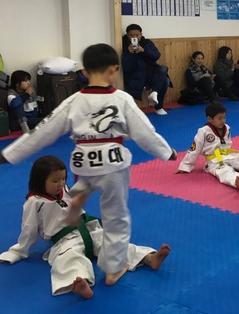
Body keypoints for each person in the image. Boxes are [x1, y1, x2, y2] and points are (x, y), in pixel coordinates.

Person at [0, 43, 177, 286]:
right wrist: (167, 152)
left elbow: (43, 131)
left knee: (85, 183)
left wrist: (10, 154)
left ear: (84, 72)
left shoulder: (74, 101)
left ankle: (78, 198)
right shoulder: (122, 99)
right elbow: (145, 133)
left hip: (83, 161)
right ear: (114, 70)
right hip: (113, 161)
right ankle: (113, 269)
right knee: (116, 217)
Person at [0, 155, 170, 299]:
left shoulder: (64, 189)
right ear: (40, 181)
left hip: (88, 228)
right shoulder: (34, 202)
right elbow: (29, 228)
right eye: (55, 181)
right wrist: (19, 251)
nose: (60, 184)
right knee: (68, 259)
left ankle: (149, 258)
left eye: (63, 179)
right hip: (64, 240)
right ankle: (81, 283)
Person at [122, 24, 170, 115]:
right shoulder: (123, 45)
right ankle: (158, 105)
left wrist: (144, 50)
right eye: (131, 35)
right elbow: (126, 67)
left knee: (164, 69)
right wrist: (130, 53)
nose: (135, 37)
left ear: (141, 34)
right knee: (165, 81)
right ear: (127, 35)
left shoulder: (146, 43)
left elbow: (157, 55)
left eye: (137, 35)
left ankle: (154, 93)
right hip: (136, 75)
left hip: (150, 72)